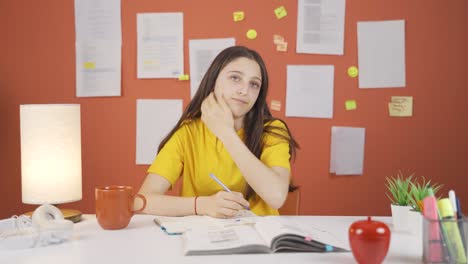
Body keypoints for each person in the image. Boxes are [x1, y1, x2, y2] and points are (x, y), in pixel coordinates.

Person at [136, 46, 299, 218]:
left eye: (254, 84)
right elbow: (141, 201)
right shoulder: (188, 133)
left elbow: (276, 197)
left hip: (259, 238)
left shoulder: (272, 131)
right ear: (214, 80)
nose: (244, 90)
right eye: (235, 78)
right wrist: (201, 205)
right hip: (203, 235)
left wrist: (226, 133)